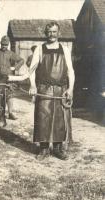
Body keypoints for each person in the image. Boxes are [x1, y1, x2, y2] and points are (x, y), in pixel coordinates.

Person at [28, 21, 74, 160]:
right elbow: (32, 70)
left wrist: (70, 89)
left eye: (54, 32)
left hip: (61, 89)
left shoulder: (65, 49)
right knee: (43, 118)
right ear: (45, 33)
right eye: (49, 32)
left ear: (58, 33)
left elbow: (70, 71)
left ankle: (58, 148)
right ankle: (43, 149)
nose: (51, 34)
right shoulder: (40, 49)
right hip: (44, 89)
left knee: (59, 120)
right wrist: (32, 85)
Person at [0, 35, 24, 121]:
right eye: (3, 44)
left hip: (8, 78)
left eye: (6, 45)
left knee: (10, 95)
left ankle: (10, 113)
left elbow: (21, 60)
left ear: (8, 45)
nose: (4, 46)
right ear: (0, 44)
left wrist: (14, 68)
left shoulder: (11, 53)